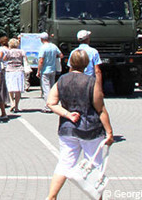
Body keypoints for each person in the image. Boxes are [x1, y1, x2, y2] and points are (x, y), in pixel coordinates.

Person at [46, 50, 114, 200]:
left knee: (64, 163)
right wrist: (109, 132)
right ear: (87, 64)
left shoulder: (62, 80)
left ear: (70, 62)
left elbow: (51, 102)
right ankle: (97, 197)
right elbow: (100, 109)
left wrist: (67, 114)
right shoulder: (91, 82)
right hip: (90, 130)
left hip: (67, 129)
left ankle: (51, 196)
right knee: (94, 164)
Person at [37, 32, 63, 112]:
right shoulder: (54, 46)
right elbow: (61, 55)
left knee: (46, 88)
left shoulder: (43, 48)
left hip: (45, 70)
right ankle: (54, 103)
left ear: (41, 39)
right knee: (52, 87)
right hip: (53, 69)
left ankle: (48, 106)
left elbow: (41, 60)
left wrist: (38, 71)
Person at [5, 38, 26, 112]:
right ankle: (16, 106)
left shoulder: (9, 52)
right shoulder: (21, 51)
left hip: (10, 70)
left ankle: (11, 102)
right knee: (18, 89)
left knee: (10, 87)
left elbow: (4, 59)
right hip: (19, 70)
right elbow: (25, 59)